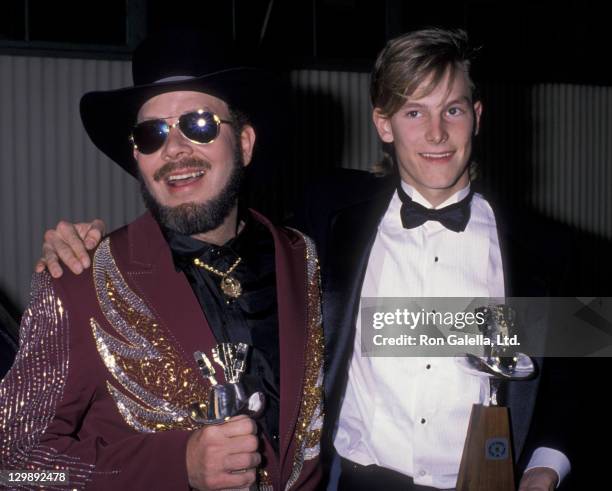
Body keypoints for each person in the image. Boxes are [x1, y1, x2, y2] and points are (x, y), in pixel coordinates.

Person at [34, 29, 577, 490]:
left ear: (477, 116)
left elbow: (584, 365)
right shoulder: (327, 217)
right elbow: (202, 211)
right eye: (414, 111)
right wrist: (84, 244)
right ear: (384, 125)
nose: (436, 133)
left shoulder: (544, 247)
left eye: (452, 109)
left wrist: (545, 466)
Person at [0, 29, 323, 491]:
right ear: (137, 156)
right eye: (151, 134)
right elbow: (13, 462)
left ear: (246, 143)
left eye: (198, 124)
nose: (173, 150)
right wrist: (178, 465)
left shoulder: (303, 260)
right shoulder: (77, 282)